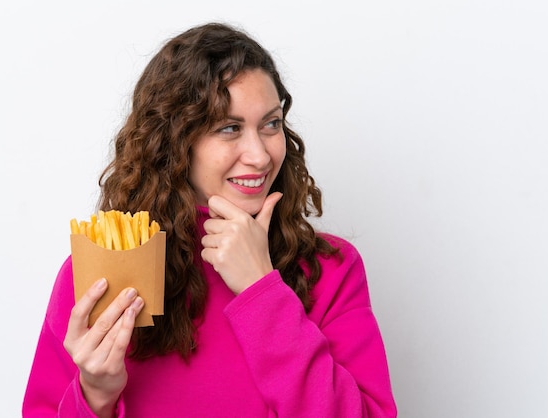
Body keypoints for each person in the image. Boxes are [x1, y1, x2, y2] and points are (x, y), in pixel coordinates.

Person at [22, 22, 397, 418]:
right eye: (229, 128)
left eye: (270, 124)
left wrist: (261, 292)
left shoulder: (332, 269)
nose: (260, 155)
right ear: (174, 142)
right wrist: (94, 396)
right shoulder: (99, 271)